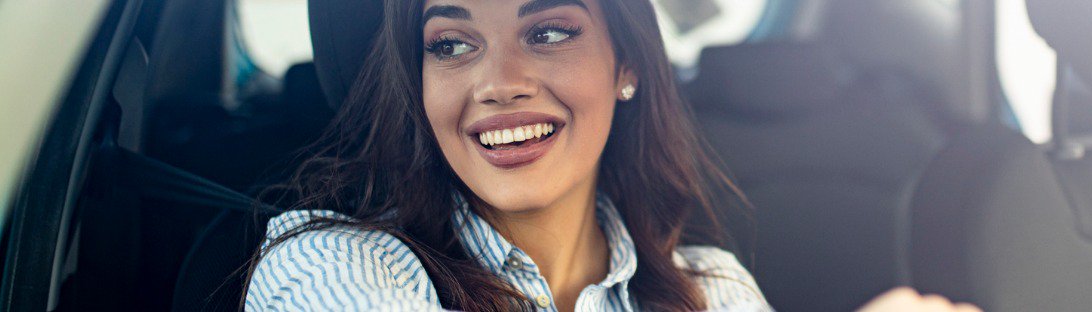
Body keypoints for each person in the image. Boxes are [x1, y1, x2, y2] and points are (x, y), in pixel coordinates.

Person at [242, 0, 980, 311]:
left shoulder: (711, 291)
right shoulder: (330, 266)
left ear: (626, 64)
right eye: (451, 45)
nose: (498, 83)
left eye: (549, 32)